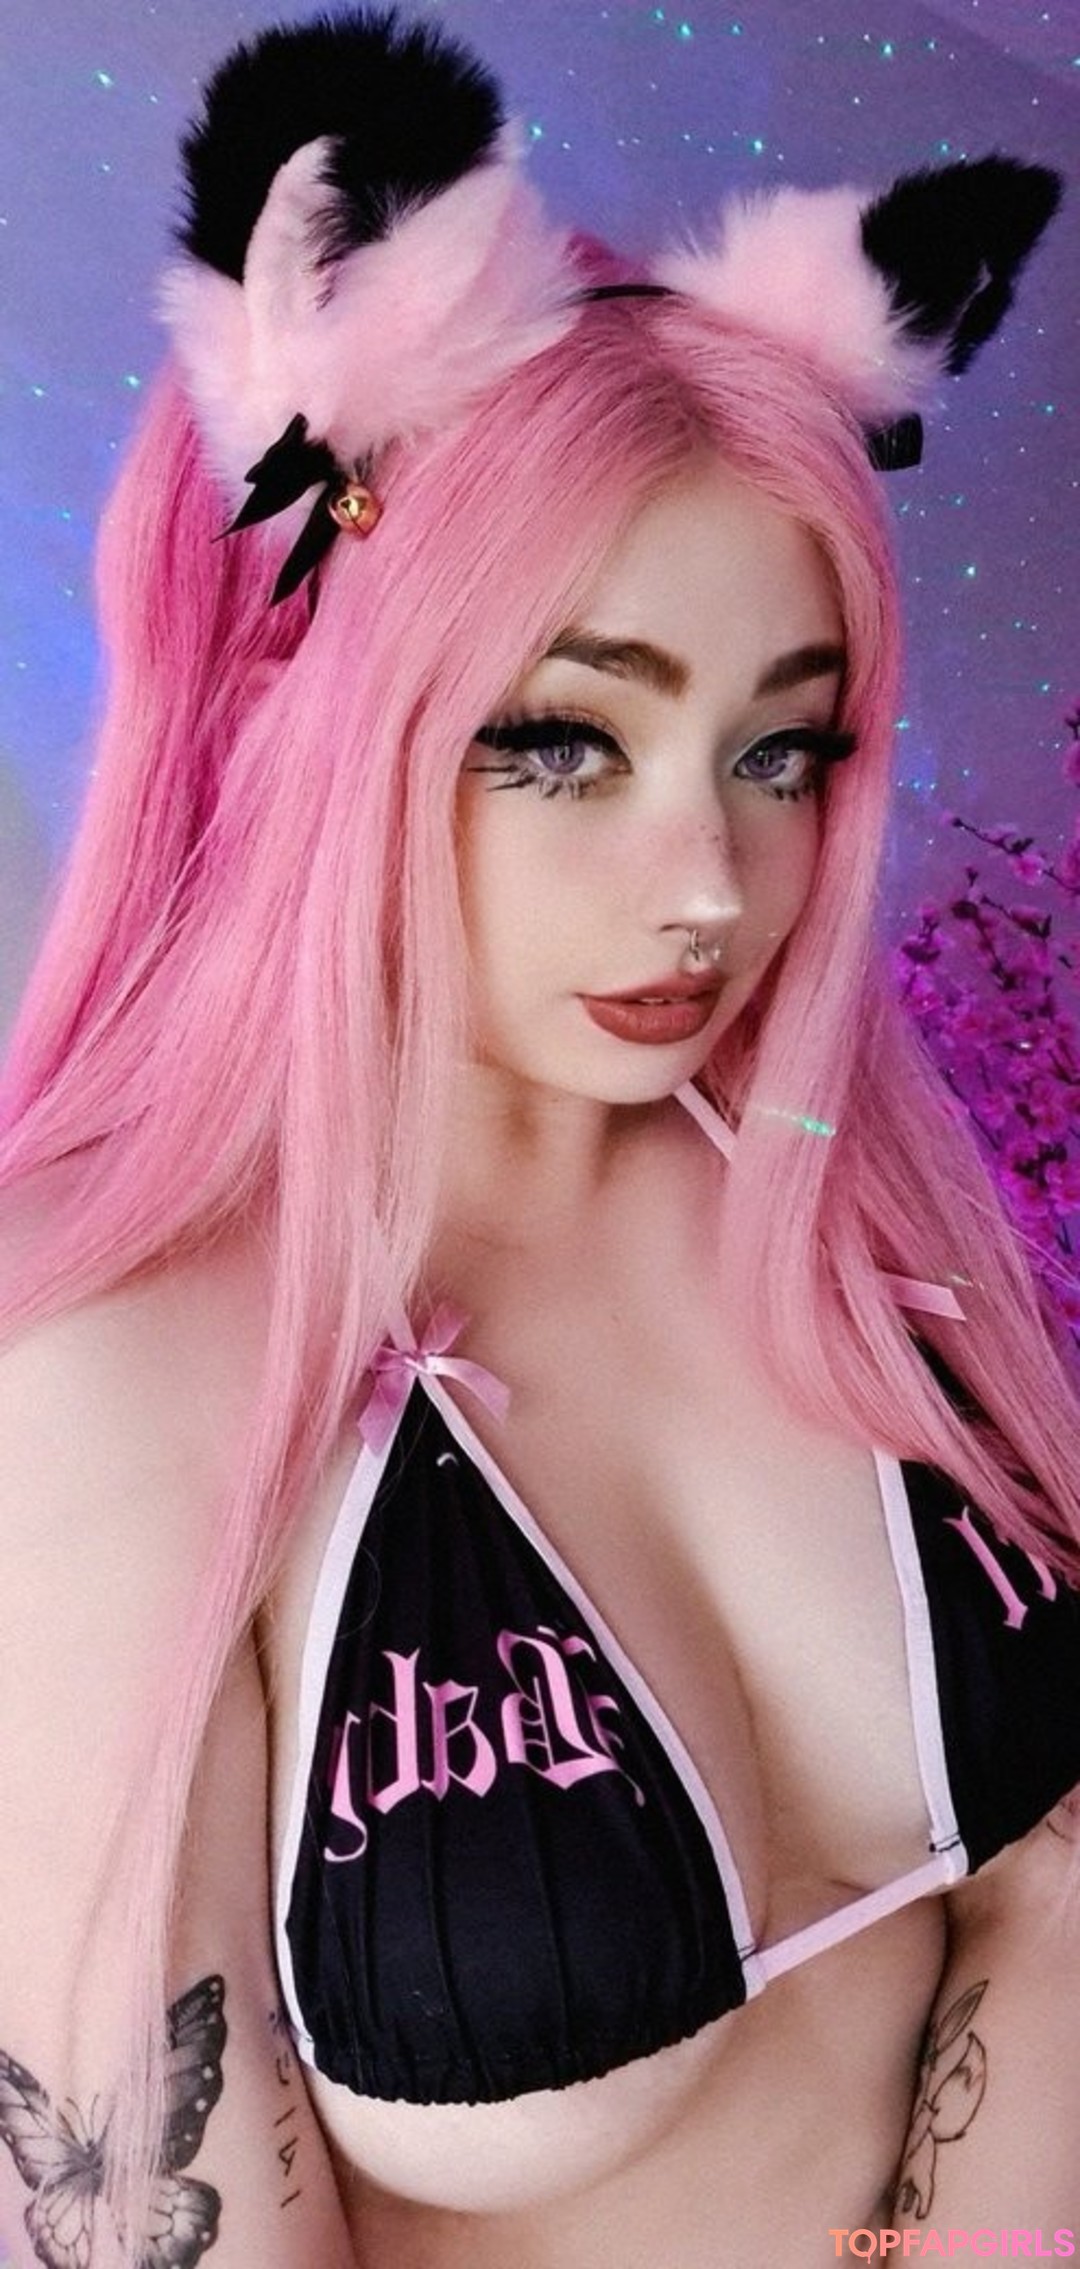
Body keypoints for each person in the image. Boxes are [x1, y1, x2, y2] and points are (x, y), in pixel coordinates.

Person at [0, 10, 1077, 2267]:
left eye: (783, 753)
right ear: (303, 714)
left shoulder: (847, 1226)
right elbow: (130, 2202)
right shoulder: (111, 1390)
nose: (707, 886)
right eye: (564, 741)